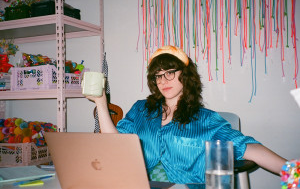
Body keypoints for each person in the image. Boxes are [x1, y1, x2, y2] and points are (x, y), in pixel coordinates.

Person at [86, 45, 286, 184]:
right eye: (158, 76)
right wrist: (101, 103)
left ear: (185, 75)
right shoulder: (140, 110)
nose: (163, 80)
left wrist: (295, 177)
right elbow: (114, 146)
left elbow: (248, 148)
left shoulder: (205, 119)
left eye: (170, 72)